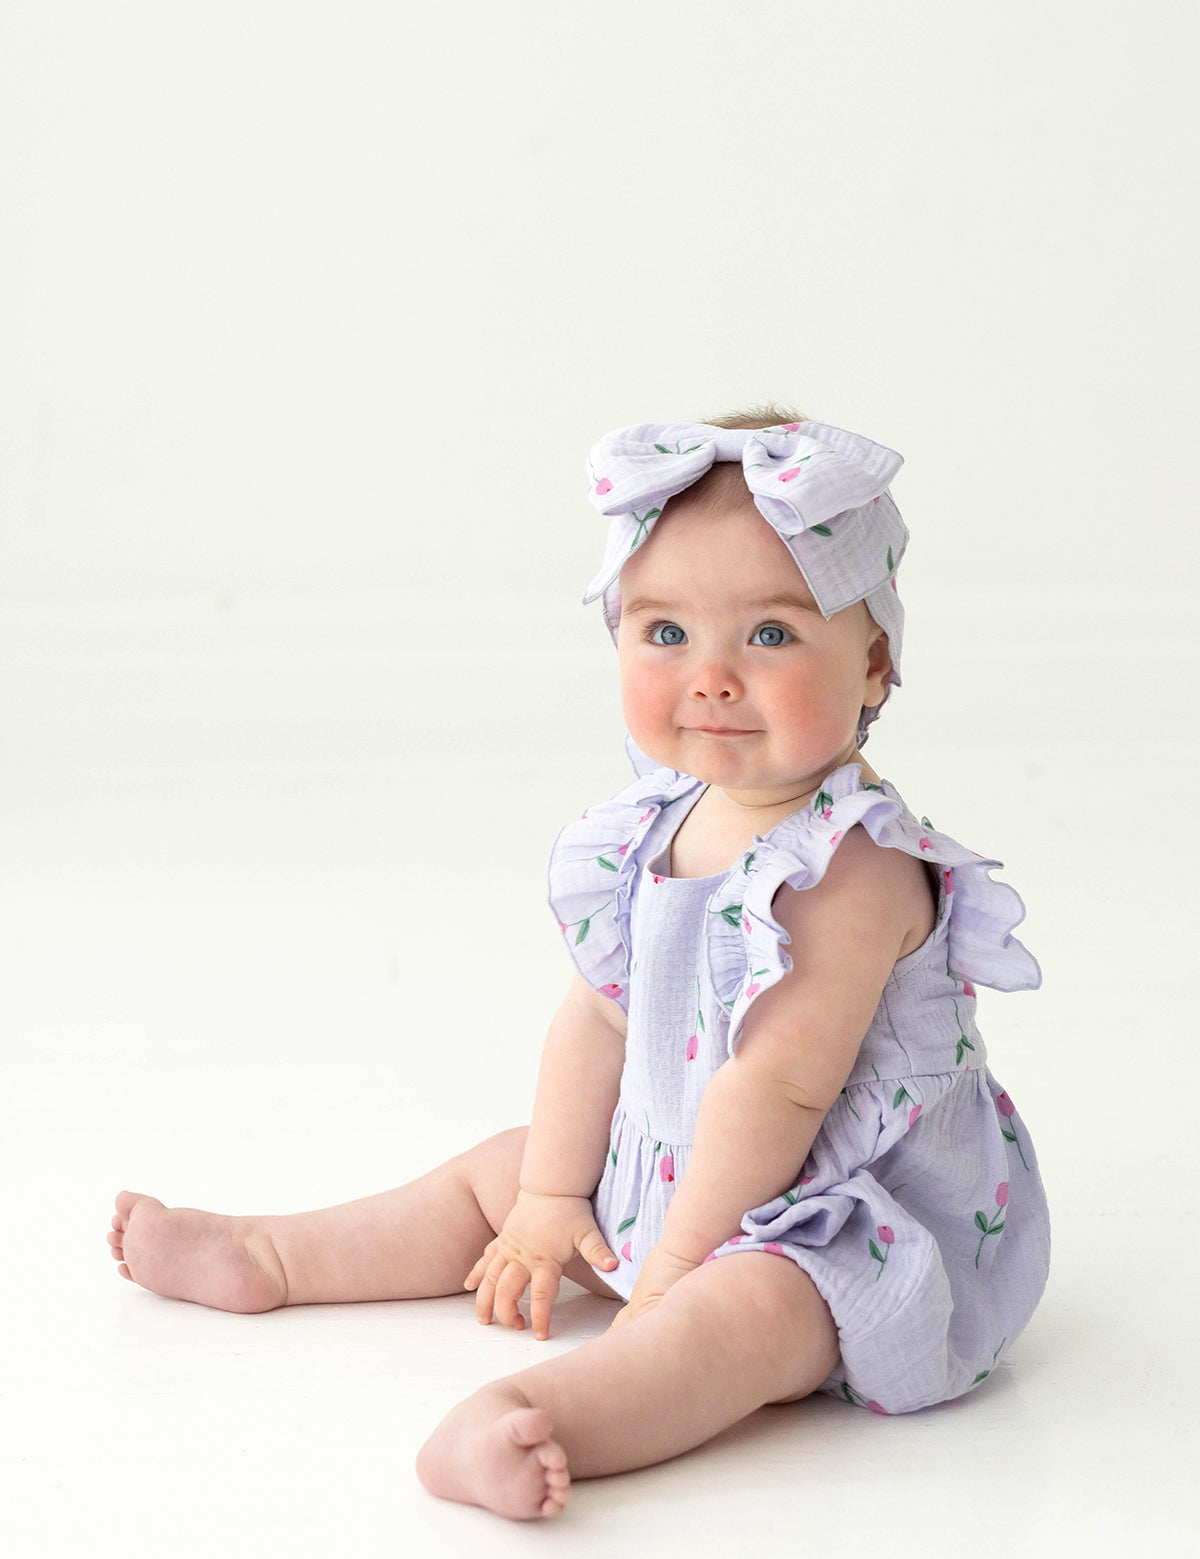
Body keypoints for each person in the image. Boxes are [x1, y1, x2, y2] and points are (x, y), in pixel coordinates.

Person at [106, 407, 1050, 1521]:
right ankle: (274, 1253)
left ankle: (542, 1413)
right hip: (683, 1174)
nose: (711, 678)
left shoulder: (851, 868)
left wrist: (669, 1274)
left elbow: (778, 1086)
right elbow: (600, 1017)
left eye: (772, 635)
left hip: (839, 1217)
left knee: (747, 1311)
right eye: (664, 634)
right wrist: (553, 1198)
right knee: (502, 1169)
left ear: (875, 658)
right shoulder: (657, 823)